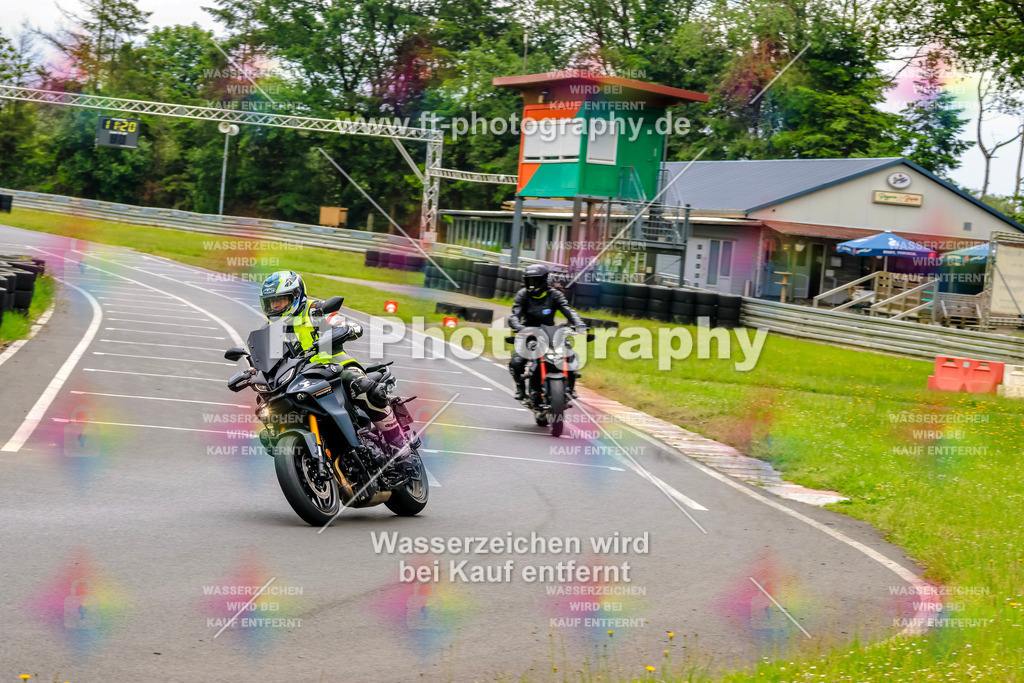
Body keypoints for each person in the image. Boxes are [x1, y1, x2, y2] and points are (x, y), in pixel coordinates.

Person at [258, 270, 409, 456]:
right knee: (267, 404)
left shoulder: (315, 311)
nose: (275, 306)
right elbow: (266, 359)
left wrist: (344, 329)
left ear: (296, 296)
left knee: (362, 386)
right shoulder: (270, 331)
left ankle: (398, 443)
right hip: (299, 377)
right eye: (270, 302)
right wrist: (252, 371)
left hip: (334, 365)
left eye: (280, 300)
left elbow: (344, 324)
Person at [507, 264, 586, 402]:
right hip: (528, 332)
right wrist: (518, 327)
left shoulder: (555, 294)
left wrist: (579, 324)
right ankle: (520, 387)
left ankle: (571, 387)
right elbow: (514, 315)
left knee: (571, 355)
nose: (532, 284)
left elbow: (568, 311)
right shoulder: (523, 294)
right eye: (529, 280)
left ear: (544, 280)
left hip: (550, 332)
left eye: (536, 280)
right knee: (517, 362)